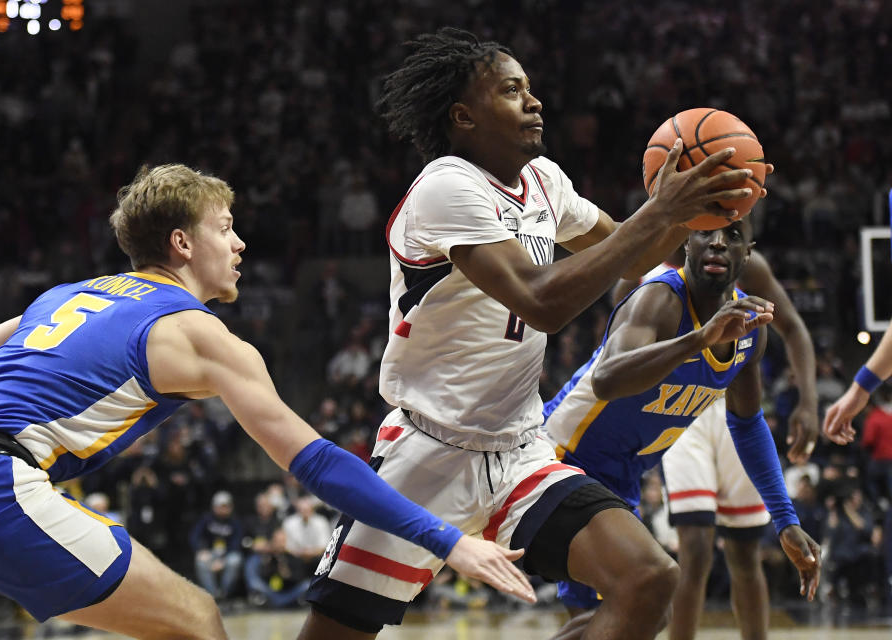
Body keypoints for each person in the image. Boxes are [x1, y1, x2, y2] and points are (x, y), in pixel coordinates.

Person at [0, 163, 535, 640]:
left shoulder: (61, 297)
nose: (240, 243)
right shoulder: (200, 334)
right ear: (182, 243)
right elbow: (318, 464)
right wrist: (448, 539)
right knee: (196, 619)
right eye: (224, 227)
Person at [298, 27, 762, 640]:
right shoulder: (446, 186)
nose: (534, 101)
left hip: (519, 450)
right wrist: (662, 212)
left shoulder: (543, 181)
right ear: (464, 116)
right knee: (333, 635)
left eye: (531, 88)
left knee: (649, 579)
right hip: (429, 453)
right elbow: (541, 302)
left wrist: (706, 206)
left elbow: (627, 257)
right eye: (512, 90)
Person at [542, 218, 821, 640]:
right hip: (563, 456)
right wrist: (698, 340)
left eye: (732, 236)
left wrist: (785, 519)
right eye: (705, 233)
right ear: (684, 245)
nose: (717, 243)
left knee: (616, 618)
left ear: (749, 254)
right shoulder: (657, 299)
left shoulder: (749, 331)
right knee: (646, 595)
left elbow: (747, 425)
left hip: (621, 473)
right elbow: (607, 380)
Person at [824, 321, 892, 445]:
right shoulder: (878, 415)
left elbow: (868, 441)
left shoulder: (877, 417)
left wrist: (860, 389)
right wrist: (860, 389)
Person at [189, 490, 244, 602]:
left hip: (228, 554)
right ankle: (212, 595)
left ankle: (224, 594)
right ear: (214, 506)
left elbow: (237, 543)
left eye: (226, 506)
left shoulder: (235, 521)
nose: (224, 509)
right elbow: (194, 536)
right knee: (200, 561)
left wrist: (222, 560)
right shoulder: (206, 519)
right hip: (210, 553)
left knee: (235, 561)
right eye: (221, 506)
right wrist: (201, 550)